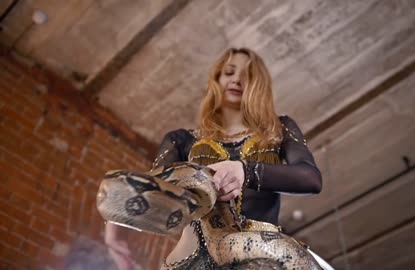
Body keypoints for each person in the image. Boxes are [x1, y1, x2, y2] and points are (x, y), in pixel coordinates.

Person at [104, 48, 323, 269]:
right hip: (191, 260)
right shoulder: (181, 139)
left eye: (247, 75)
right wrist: (115, 226)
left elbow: (310, 178)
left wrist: (245, 170)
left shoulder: (279, 128)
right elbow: (154, 192)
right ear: (216, 80)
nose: (237, 79)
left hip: (262, 257)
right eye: (229, 72)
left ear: (259, 84)